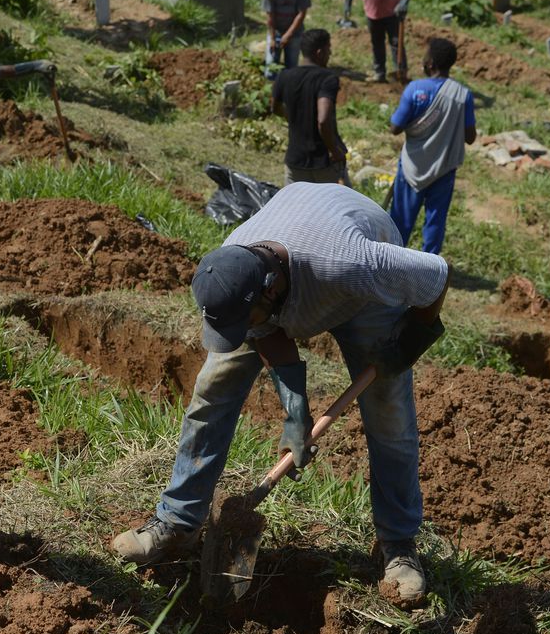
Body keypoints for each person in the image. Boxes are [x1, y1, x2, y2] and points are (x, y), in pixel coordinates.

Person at [112, 181, 450, 607]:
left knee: (389, 413)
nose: (240, 332)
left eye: (244, 319)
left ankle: (398, 545)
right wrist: (296, 413)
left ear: (270, 288)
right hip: (293, 253)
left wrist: (412, 337)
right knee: (211, 389)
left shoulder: (355, 263)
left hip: (357, 277)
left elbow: (436, 274)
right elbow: (262, 328)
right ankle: (178, 521)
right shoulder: (235, 266)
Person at [389, 37, 476, 254]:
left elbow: (395, 128)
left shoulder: (415, 89)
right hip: (443, 169)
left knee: (400, 220)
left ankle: (390, 261)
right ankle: (428, 270)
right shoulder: (462, 95)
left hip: (413, 167)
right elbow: (470, 137)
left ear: (430, 63)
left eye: (425, 56)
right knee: (435, 223)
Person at [270, 29, 350, 187]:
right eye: (329, 48)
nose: (330, 53)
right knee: (337, 209)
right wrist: (335, 151)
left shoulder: (284, 76)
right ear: (319, 52)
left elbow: (274, 107)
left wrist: (292, 116)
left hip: (295, 161)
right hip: (324, 163)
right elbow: (323, 119)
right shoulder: (327, 79)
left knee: (298, 210)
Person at [261, 0, 311, 76]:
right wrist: (273, 38)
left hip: (294, 33)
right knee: (270, 68)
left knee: (291, 68)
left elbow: (301, 14)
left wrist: (288, 34)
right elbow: (270, 15)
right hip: (276, 31)